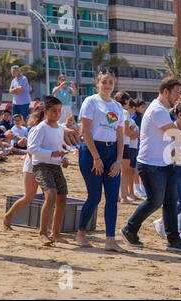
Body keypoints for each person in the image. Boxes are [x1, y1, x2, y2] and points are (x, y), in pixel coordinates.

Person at [120, 77, 181, 253]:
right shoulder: (158, 110)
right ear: (166, 92)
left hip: (165, 164)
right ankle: (130, 229)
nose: (178, 96)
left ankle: (173, 240)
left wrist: (175, 153)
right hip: (151, 164)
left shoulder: (164, 111)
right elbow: (175, 135)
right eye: (176, 92)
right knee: (154, 202)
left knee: (171, 202)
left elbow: (164, 139)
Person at [77, 68, 126, 253]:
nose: (107, 85)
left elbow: (120, 134)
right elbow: (85, 131)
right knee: (95, 196)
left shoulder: (117, 107)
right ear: (97, 83)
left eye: (110, 82)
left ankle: (110, 240)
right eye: (104, 82)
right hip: (91, 152)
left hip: (112, 152)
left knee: (113, 197)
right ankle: (81, 233)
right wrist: (96, 157)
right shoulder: (90, 102)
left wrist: (119, 160)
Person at [153, 101, 181, 246]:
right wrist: (178, 155)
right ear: (180, 115)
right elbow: (165, 150)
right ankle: (162, 221)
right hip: (174, 169)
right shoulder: (170, 128)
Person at [27, 96, 69, 246]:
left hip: (55, 165)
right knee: (51, 195)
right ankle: (42, 233)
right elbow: (32, 148)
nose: (57, 114)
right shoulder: (40, 128)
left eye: (59, 111)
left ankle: (55, 233)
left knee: (62, 197)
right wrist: (52, 154)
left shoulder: (60, 128)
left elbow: (57, 150)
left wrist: (62, 159)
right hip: (41, 166)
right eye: (54, 111)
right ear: (45, 111)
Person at [3, 103, 45, 230]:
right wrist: (38, 167)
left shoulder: (52, 128)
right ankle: (8, 216)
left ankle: (47, 226)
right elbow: (30, 151)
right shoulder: (35, 129)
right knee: (28, 198)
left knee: (50, 196)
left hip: (47, 167)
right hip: (33, 166)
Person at [114, 91, 137, 204]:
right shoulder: (125, 113)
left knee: (115, 172)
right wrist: (134, 132)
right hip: (124, 144)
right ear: (126, 101)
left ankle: (116, 196)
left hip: (114, 143)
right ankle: (124, 197)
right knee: (124, 172)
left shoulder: (113, 111)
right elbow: (126, 132)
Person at [126, 98, 140, 201]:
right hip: (129, 146)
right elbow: (129, 134)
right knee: (128, 171)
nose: (134, 111)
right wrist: (136, 134)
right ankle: (126, 192)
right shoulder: (127, 120)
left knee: (132, 172)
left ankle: (131, 192)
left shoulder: (132, 120)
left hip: (134, 147)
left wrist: (136, 134)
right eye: (133, 108)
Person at [132, 99, 146, 198]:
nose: (144, 109)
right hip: (135, 144)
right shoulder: (134, 117)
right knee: (135, 168)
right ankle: (136, 187)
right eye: (142, 107)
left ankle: (141, 187)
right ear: (136, 107)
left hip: (140, 144)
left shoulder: (141, 117)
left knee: (141, 168)